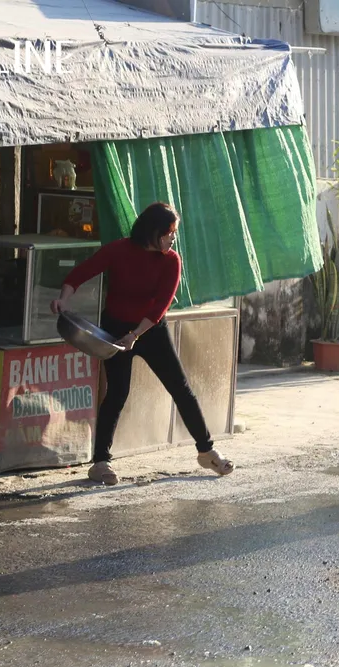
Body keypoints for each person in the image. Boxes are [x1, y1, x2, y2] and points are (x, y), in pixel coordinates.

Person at [52, 202, 234, 486]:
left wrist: (135, 334)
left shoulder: (171, 260)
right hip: (115, 330)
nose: (173, 238)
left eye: (174, 233)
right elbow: (81, 273)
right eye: (170, 233)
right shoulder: (119, 250)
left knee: (180, 389)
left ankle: (206, 450)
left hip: (150, 330)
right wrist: (64, 299)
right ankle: (100, 462)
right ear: (154, 232)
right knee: (117, 393)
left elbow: (160, 306)